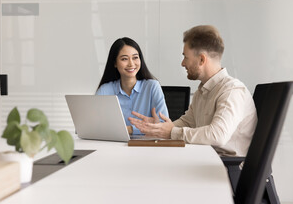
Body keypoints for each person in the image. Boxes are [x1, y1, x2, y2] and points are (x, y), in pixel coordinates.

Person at [129, 25, 257, 156]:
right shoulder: (202, 91)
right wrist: (159, 128)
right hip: (207, 160)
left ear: (202, 59)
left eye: (185, 57)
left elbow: (218, 135)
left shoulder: (231, 91)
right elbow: (188, 122)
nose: (182, 63)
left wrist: (171, 132)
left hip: (227, 169)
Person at [96, 37, 169, 135]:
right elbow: (89, 127)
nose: (131, 64)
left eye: (135, 57)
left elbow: (163, 126)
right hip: (113, 146)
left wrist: (130, 129)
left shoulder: (152, 86)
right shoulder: (105, 90)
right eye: (124, 59)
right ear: (115, 63)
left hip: (146, 146)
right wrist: (141, 128)